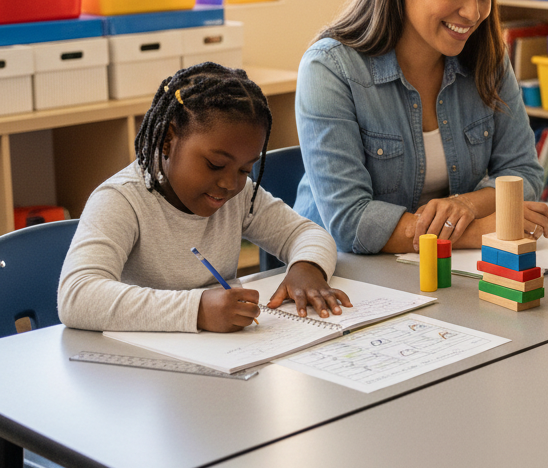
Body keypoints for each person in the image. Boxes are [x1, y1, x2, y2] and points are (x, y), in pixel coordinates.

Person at [293, 0, 548, 254]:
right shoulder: (330, 69)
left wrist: (466, 205)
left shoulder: (487, 59)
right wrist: (479, 231)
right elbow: (351, 223)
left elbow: (524, 171)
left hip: (441, 271)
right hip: (345, 276)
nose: (473, 11)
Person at [59, 63, 350, 333]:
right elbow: (77, 295)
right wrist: (196, 310)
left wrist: (306, 268)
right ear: (167, 140)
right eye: (214, 165)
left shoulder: (238, 195)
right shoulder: (122, 200)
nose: (229, 183)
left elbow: (307, 233)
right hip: (141, 374)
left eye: (245, 169)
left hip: (220, 359)